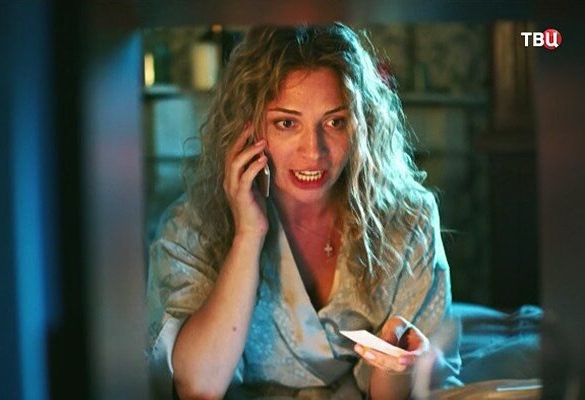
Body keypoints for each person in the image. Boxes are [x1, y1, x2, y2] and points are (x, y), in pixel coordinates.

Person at [147, 23, 461, 399]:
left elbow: (403, 391)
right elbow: (198, 386)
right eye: (286, 123)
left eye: (334, 122)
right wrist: (248, 235)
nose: (314, 151)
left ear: (361, 127)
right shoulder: (193, 226)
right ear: (248, 130)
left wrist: (395, 364)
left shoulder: (406, 219)